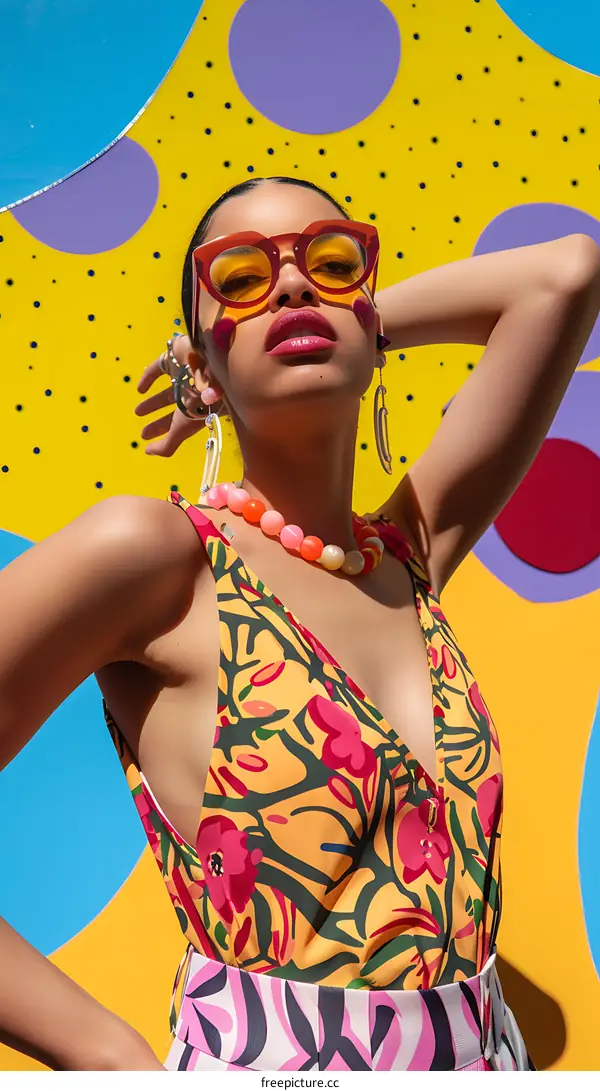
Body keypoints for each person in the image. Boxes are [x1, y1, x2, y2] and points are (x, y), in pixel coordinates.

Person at [1, 175, 599, 1072]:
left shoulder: (407, 553)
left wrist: (339, 316)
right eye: (240, 277)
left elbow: (566, 274)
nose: (288, 287)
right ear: (198, 363)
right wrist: (109, 1058)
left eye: (327, 262)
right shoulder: (162, 557)